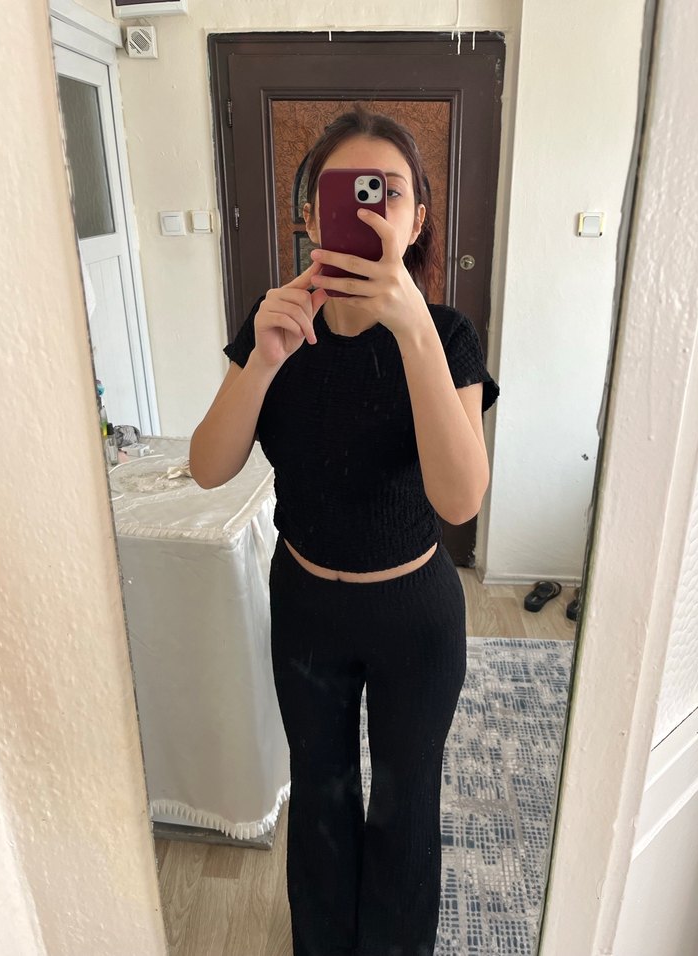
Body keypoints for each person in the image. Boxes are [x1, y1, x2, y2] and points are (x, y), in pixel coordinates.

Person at [189, 105, 500, 956]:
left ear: (416, 218)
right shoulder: (273, 324)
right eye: (346, 192)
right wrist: (263, 357)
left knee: (405, 802)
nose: (369, 210)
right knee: (320, 795)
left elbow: (460, 499)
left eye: (387, 192)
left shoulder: (448, 335)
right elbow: (209, 467)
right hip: (306, 611)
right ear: (309, 215)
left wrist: (412, 329)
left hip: (414, 617)